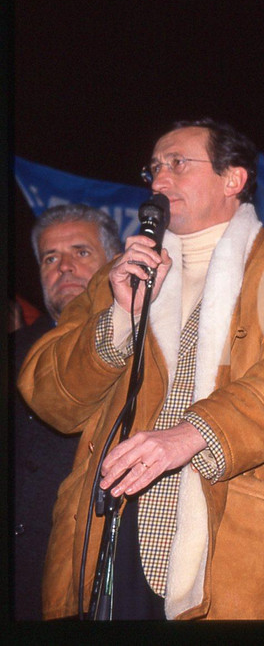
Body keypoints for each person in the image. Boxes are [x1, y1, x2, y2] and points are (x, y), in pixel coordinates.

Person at [18, 119, 264, 619]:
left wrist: (192, 433)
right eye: (153, 168)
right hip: (110, 533)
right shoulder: (118, 277)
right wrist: (120, 319)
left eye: (177, 164)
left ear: (232, 179)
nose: (158, 181)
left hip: (231, 535)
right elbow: (48, 393)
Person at [12, 204, 122, 620]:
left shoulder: (143, 349)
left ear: (113, 262)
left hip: (87, 577)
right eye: (50, 258)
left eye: (81, 252)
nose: (65, 268)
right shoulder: (16, 349)